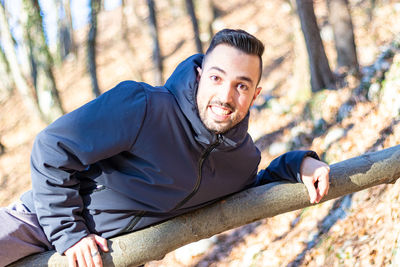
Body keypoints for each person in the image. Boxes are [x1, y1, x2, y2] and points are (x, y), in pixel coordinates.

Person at [0, 29, 330, 267]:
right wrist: (71, 234)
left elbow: (256, 189)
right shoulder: (145, 107)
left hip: (116, 257)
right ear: (199, 75)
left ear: (255, 96)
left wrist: (301, 164)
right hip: (41, 221)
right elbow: (53, 147)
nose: (226, 96)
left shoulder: (240, 162)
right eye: (217, 78)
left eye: (241, 86)